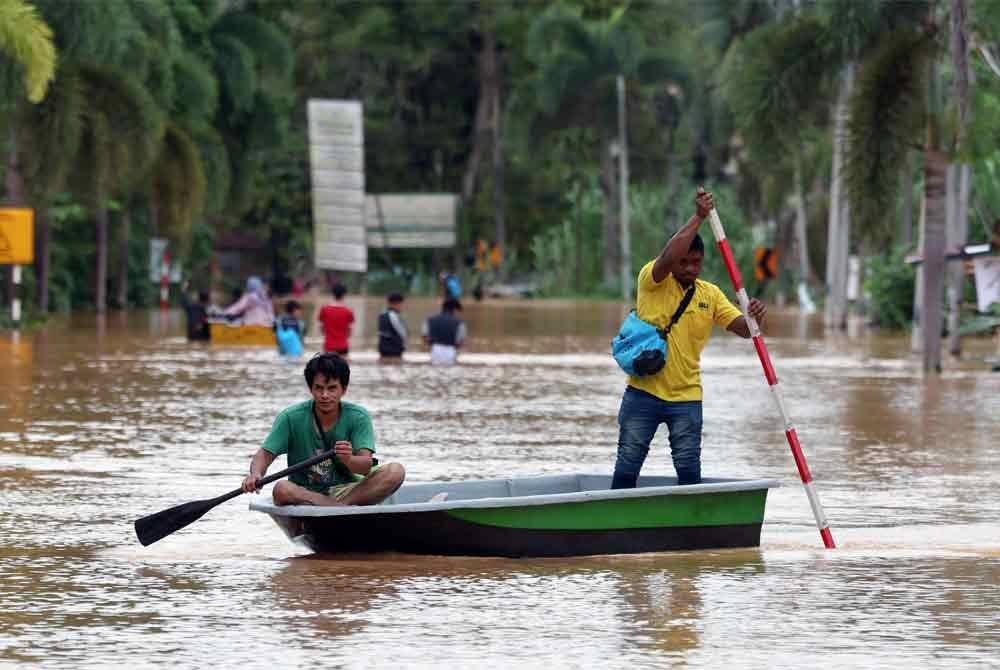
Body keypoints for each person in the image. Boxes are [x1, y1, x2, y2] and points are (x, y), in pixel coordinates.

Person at [611, 188, 767, 488]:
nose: (691, 268)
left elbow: (744, 330)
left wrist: (755, 316)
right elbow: (668, 256)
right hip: (643, 393)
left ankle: (690, 527)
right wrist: (699, 217)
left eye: (697, 262)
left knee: (689, 469)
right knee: (628, 463)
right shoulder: (652, 280)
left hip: (686, 397)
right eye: (685, 262)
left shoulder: (710, 294)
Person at [242, 353, 406, 505]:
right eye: (319, 388)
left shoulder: (358, 416)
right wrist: (255, 474)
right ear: (311, 389)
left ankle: (341, 506)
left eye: (332, 388)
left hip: (349, 491)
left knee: (395, 471)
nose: (325, 395)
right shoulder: (291, 417)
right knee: (281, 489)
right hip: (305, 493)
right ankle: (331, 506)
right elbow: (265, 454)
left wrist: (348, 460)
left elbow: (365, 467)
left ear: (344, 389)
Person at [422, 298, 467, 365]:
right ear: (454, 309)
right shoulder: (460, 323)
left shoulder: (429, 320)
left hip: (435, 350)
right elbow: (460, 341)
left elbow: (424, 336)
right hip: (451, 350)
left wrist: (431, 345)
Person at [316, 283, 354, 356]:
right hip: (343, 345)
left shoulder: (324, 309)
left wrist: (328, 335)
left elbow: (321, 328)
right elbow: (350, 330)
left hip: (328, 345)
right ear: (344, 295)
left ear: (332, 294)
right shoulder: (348, 311)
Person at [377, 292, 408, 362]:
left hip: (383, 351)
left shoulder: (382, 315)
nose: (402, 306)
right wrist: (404, 345)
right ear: (397, 303)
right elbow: (402, 333)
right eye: (401, 304)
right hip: (394, 352)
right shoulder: (393, 316)